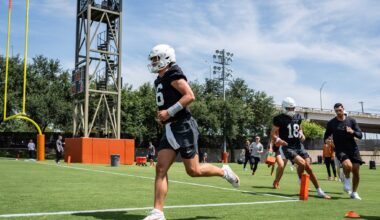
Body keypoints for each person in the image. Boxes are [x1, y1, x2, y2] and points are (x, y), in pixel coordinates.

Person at [144, 44, 240, 220]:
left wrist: (169, 112)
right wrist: (164, 117)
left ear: (166, 58)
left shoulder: (173, 73)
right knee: (160, 169)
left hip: (183, 126)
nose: (153, 62)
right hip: (170, 128)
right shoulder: (159, 79)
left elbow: (190, 95)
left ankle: (223, 172)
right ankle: (158, 212)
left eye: (156, 58)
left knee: (193, 170)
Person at [271, 97, 330, 199]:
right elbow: (273, 133)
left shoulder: (298, 116)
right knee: (302, 163)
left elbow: (300, 129)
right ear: (284, 108)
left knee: (309, 167)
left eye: (292, 108)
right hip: (287, 146)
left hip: (299, 145)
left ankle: (319, 191)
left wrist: (302, 134)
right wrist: (278, 140)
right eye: (289, 109)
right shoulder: (278, 118)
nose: (291, 110)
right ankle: (300, 181)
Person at [324, 103, 363, 200]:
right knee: (348, 165)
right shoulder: (331, 123)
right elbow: (326, 136)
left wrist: (352, 132)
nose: (338, 112)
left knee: (356, 171)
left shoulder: (352, 121)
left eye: (340, 110)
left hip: (353, 149)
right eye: (336, 111)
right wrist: (327, 140)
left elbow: (360, 135)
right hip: (340, 149)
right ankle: (346, 179)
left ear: (343, 109)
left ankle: (354, 192)